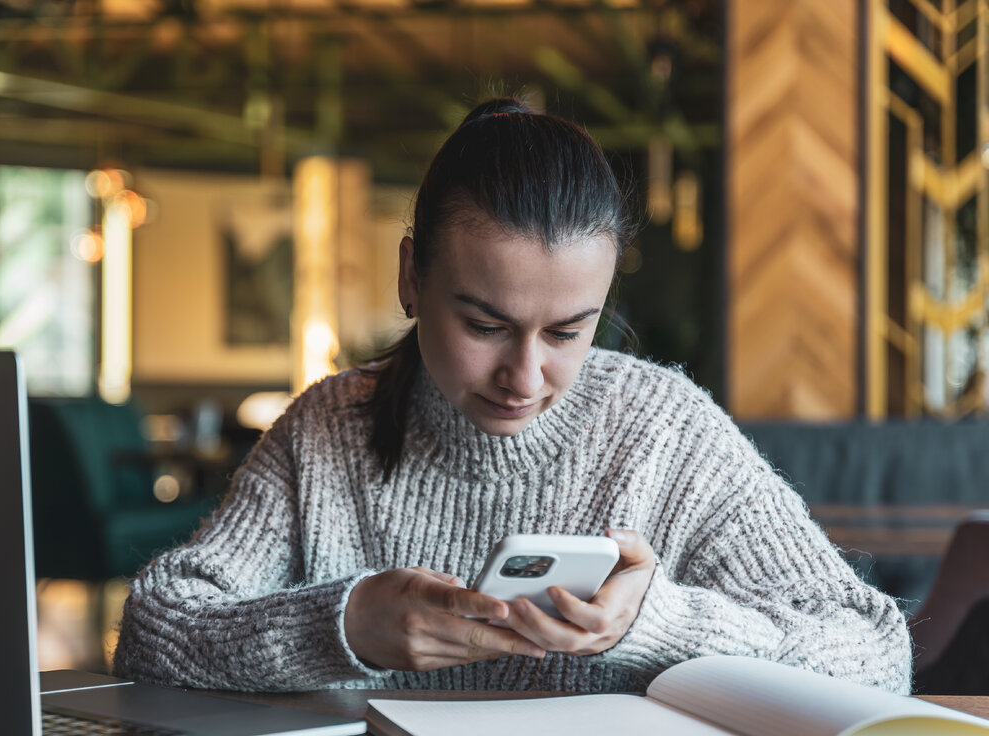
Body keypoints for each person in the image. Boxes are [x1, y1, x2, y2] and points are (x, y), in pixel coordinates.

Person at [113, 98, 911, 694]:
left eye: (568, 332)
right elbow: (154, 631)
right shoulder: (328, 428)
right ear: (410, 277)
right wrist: (345, 625)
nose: (524, 378)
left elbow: (876, 652)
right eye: (486, 324)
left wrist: (654, 623)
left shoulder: (666, 430)